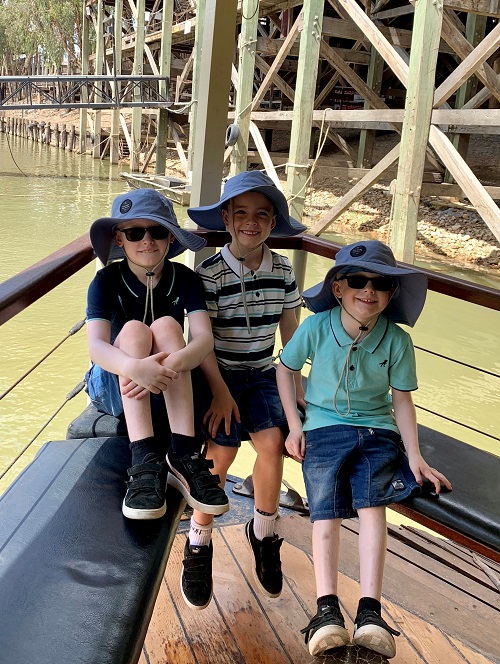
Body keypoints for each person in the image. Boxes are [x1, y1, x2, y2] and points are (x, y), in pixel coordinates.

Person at [276, 240, 452, 659]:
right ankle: (326, 610)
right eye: (358, 280)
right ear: (338, 287)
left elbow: (402, 400)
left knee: (374, 507)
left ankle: (369, 612)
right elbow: (284, 369)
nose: (368, 291)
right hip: (322, 429)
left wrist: (414, 456)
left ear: (392, 293)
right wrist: (294, 424)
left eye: (381, 284)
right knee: (325, 509)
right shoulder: (316, 327)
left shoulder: (397, 341)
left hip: (377, 432)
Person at [179, 170, 307, 610]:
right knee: (223, 451)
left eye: (262, 216)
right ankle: (199, 540)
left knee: (272, 444)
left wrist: (299, 375)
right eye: (241, 214)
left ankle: (264, 532)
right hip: (220, 372)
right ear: (227, 221)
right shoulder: (210, 272)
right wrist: (218, 391)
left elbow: (291, 329)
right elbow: (204, 340)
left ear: (273, 224)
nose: (250, 223)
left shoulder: (283, 269)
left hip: (262, 372)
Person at [85, 188, 229, 521]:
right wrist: (134, 367)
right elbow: (96, 347)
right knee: (134, 331)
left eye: (158, 231)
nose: (147, 240)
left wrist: (175, 362)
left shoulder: (186, 279)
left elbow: (203, 338)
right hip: (117, 384)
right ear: (120, 239)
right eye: (136, 232)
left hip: (166, 381)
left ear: (169, 238)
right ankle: (143, 456)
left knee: (166, 326)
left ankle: (182, 451)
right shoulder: (105, 281)